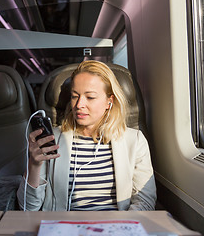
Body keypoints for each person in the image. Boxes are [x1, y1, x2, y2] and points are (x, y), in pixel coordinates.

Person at [17, 60, 156, 211]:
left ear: (109, 101)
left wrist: (120, 229)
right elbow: (28, 208)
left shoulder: (134, 141)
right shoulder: (52, 139)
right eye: (75, 96)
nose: (79, 105)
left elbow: (144, 202)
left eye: (90, 97)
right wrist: (34, 165)